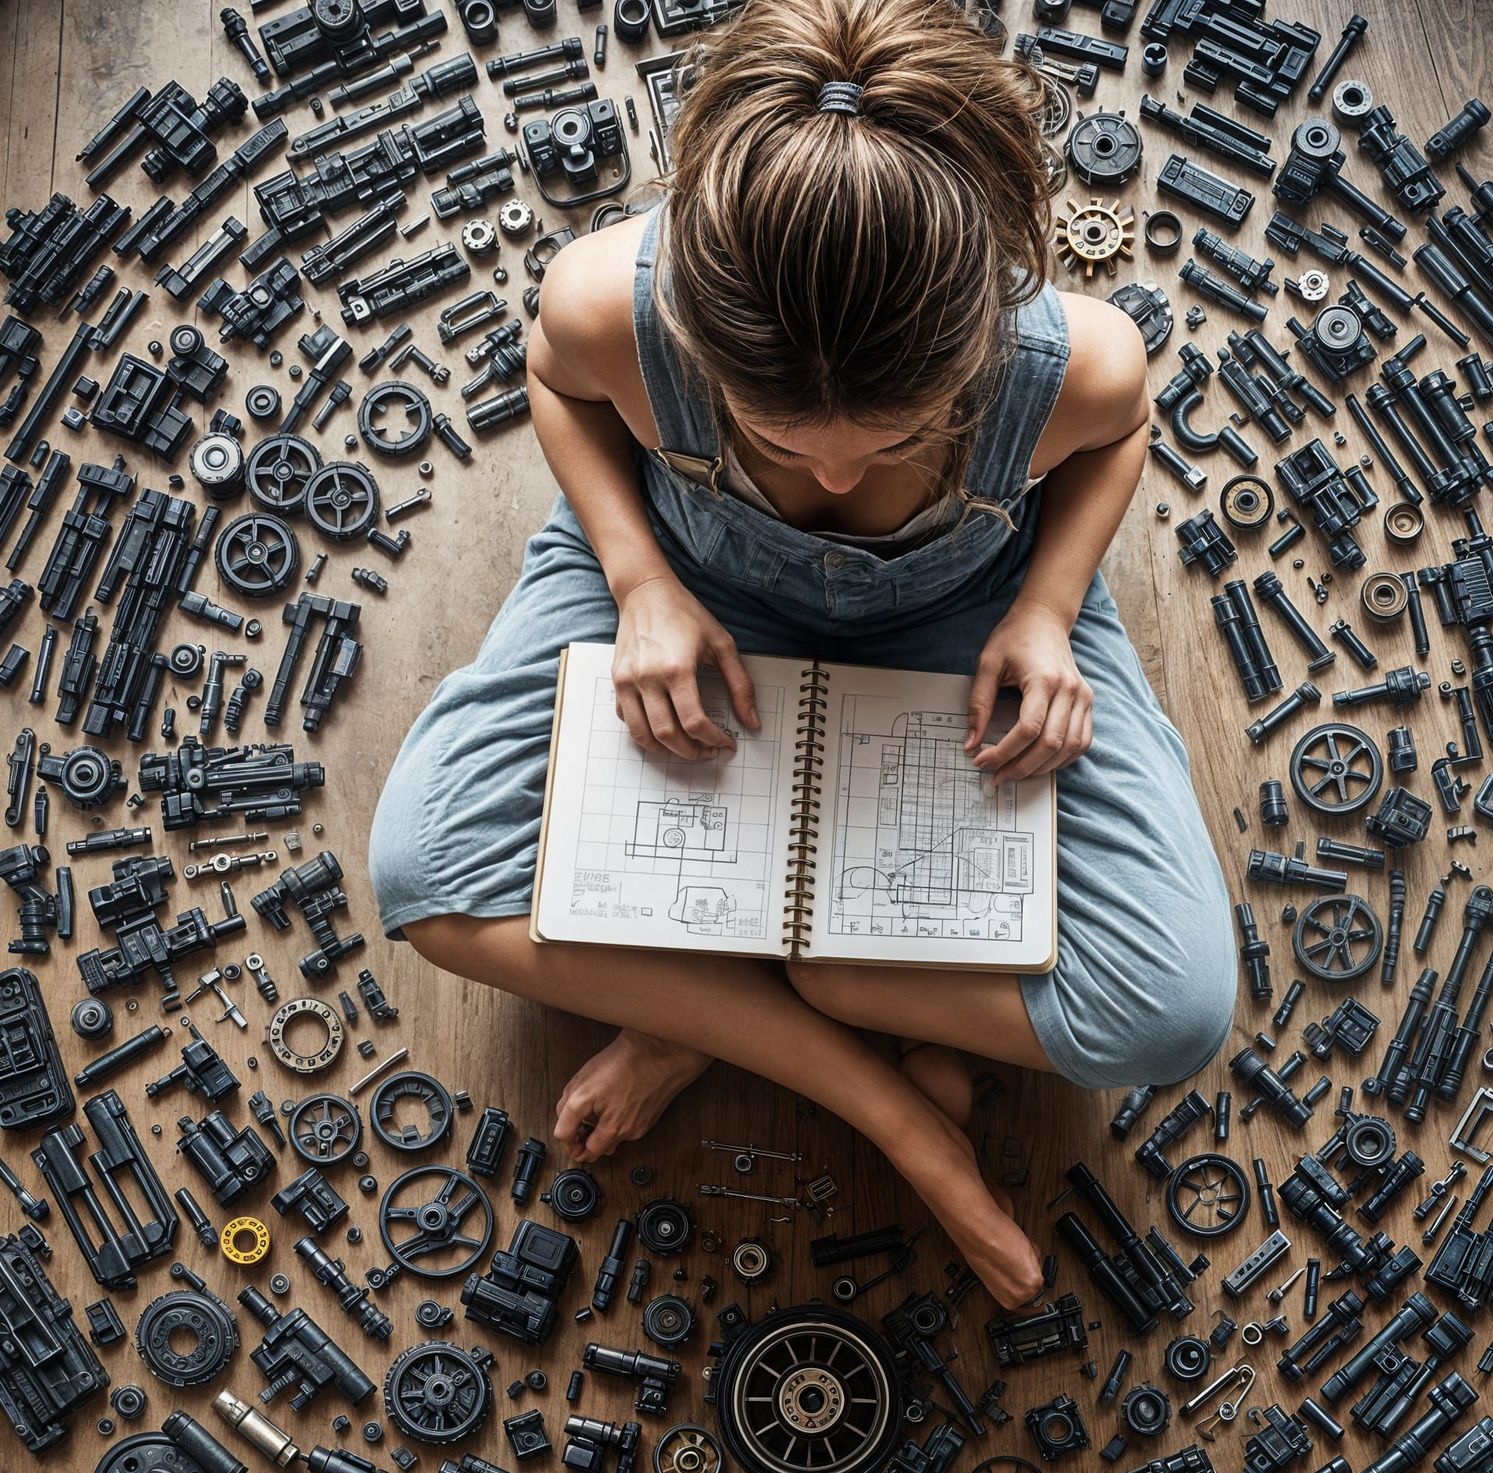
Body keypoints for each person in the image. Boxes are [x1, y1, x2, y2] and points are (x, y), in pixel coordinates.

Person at [370, 0, 1234, 1308]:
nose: (832, 471)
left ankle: (726, 1004)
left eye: (892, 442)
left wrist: (1048, 609)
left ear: (979, 352)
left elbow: (1120, 441)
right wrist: (639, 579)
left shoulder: (1077, 367)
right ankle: (867, 1078)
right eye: (777, 439)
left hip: (972, 610)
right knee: (423, 876)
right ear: (704, 346)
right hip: (690, 587)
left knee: (1173, 1017)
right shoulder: (612, 304)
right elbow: (555, 378)